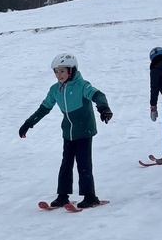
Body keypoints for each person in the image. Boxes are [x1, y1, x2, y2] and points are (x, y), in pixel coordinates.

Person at [18, 53, 113, 208]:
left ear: (71, 70)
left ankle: (90, 197)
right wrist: (28, 123)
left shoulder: (82, 85)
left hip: (84, 130)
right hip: (68, 132)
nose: (59, 75)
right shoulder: (55, 90)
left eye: (62, 71)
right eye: (56, 72)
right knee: (66, 164)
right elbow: (44, 109)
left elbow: (98, 95)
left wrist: (104, 108)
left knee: (83, 163)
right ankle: (63, 196)